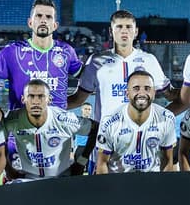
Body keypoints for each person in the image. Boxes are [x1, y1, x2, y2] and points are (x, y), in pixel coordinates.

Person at [68, 10, 177, 172]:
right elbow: (79, 98)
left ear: (136, 31)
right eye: (119, 27)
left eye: (128, 27)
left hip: (142, 148)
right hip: (105, 147)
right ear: (111, 31)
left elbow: (170, 94)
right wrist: (51, 106)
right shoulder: (96, 61)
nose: (124, 31)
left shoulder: (149, 60)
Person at [0, 0, 82, 111]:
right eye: (38, 16)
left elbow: (87, 81)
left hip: (58, 121)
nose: (43, 20)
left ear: (55, 25)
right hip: (21, 121)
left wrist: (72, 102)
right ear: (30, 22)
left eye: (49, 17)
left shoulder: (66, 51)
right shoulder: (12, 52)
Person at [2, 79, 89, 179]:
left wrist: (81, 162)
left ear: (49, 99)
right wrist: (8, 168)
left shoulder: (64, 119)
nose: (36, 102)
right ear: (23, 99)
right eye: (31, 96)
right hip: (28, 179)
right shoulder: (12, 119)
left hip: (61, 179)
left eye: (41, 96)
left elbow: (95, 129)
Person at [95, 69, 176, 174]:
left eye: (147, 88)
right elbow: (102, 163)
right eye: (136, 88)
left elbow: (167, 160)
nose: (142, 93)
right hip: (118, 181)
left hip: (152, 180)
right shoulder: (109, 121)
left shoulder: (167, 118)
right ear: (127, 93)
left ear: (154, 93)